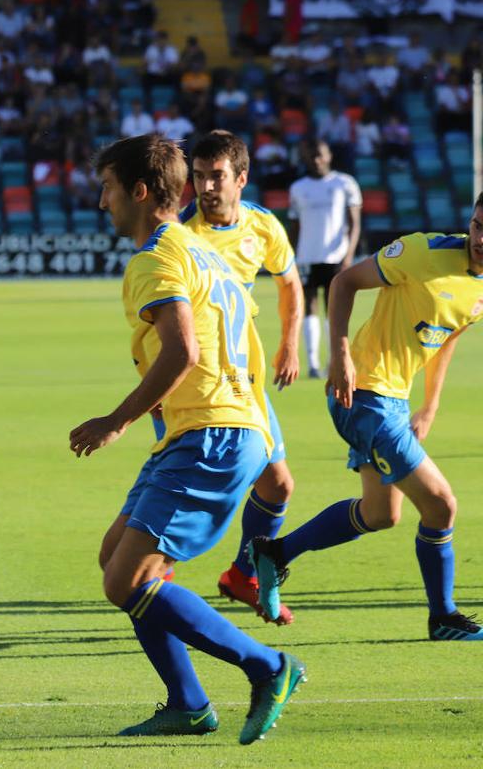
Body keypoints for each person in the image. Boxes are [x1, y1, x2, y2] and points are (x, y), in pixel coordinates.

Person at [75, 134, 304, 742]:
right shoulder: (203, 253)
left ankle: (268, 666)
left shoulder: (157, 258)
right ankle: (188, 703)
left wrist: (115, 420)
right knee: (116, 558)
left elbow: (182, 350)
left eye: (109, 188)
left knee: (126, 581)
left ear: (141, 192)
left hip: (210, 435)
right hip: (209, 429)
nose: (103, 202)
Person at [250, 201, 483, 642]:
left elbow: (448, 338)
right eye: (477, 225)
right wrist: (339, 355)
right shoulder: (422, 252)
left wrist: (429, 405)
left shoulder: (479, 287)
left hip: (392, 401)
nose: (480, 238)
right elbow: (343, 282)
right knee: (441, 505)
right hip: (363, 394)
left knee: (379, 514)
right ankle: (444, 617)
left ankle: (275, 552)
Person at [180, 131, 303, 625]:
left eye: (217, 176)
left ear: (241, 179)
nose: (206, 186)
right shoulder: (182, 237)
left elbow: (290, 283)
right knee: (195, 492)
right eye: (199, 176)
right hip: (196, 381)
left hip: (245, 377)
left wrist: (289, 344)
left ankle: (242, 575)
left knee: (278, 484)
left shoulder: (263, 226)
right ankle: (150, 578)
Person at [288, 140, 361, 379]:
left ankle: (333, 360)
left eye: (320, 155)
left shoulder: (345, 183)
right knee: (308, 306)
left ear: (329, 155)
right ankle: (312, 363)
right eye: (311, 156)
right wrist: (292, 256)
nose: (316, 160)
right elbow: (295, 225)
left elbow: (354, 223)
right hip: (307, 255)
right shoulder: (298, 188)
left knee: (333, 310)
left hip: (336, 256)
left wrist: (349, 255)